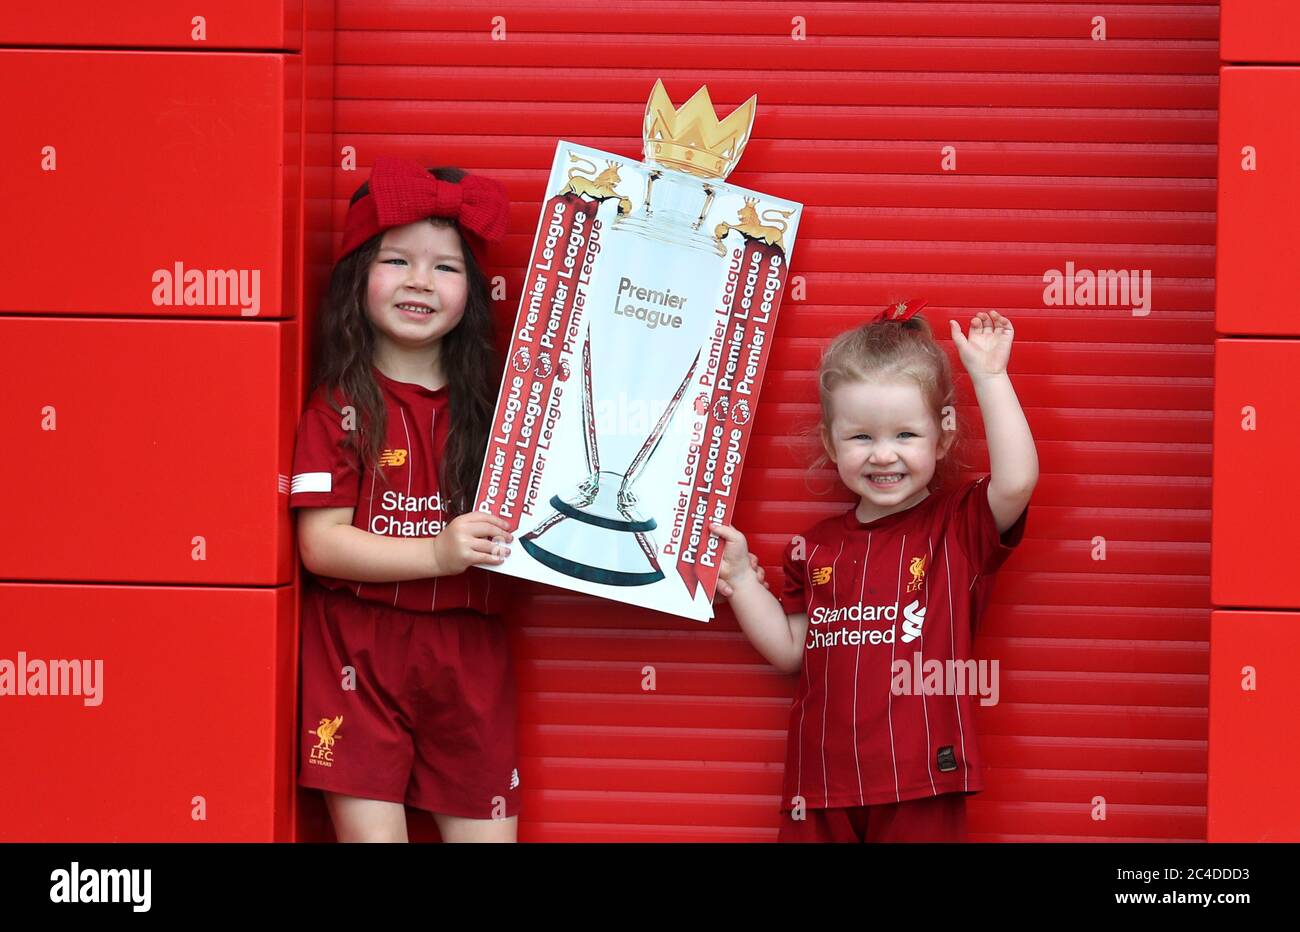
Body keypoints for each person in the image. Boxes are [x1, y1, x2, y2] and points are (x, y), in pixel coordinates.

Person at [710, 301, 1037, 842]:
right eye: (862, 437)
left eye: (906, 435)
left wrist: (990, 376)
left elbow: (1018, 481)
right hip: (818, 785)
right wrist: (743, 582)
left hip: (921, 778)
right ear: (829, 443)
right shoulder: (813, 547)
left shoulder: (958, 527)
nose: (884, 455)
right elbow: (793, 650)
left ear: (943, 435)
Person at [290, 156, 519, 842]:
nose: (421, 281)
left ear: (473, 292)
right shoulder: (339, 405)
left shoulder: (505, 409)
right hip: (353, 651)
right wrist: (439, 552)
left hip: (471, 651)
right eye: (397, 260)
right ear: (358, 276)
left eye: (446, 267)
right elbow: (319, 543)